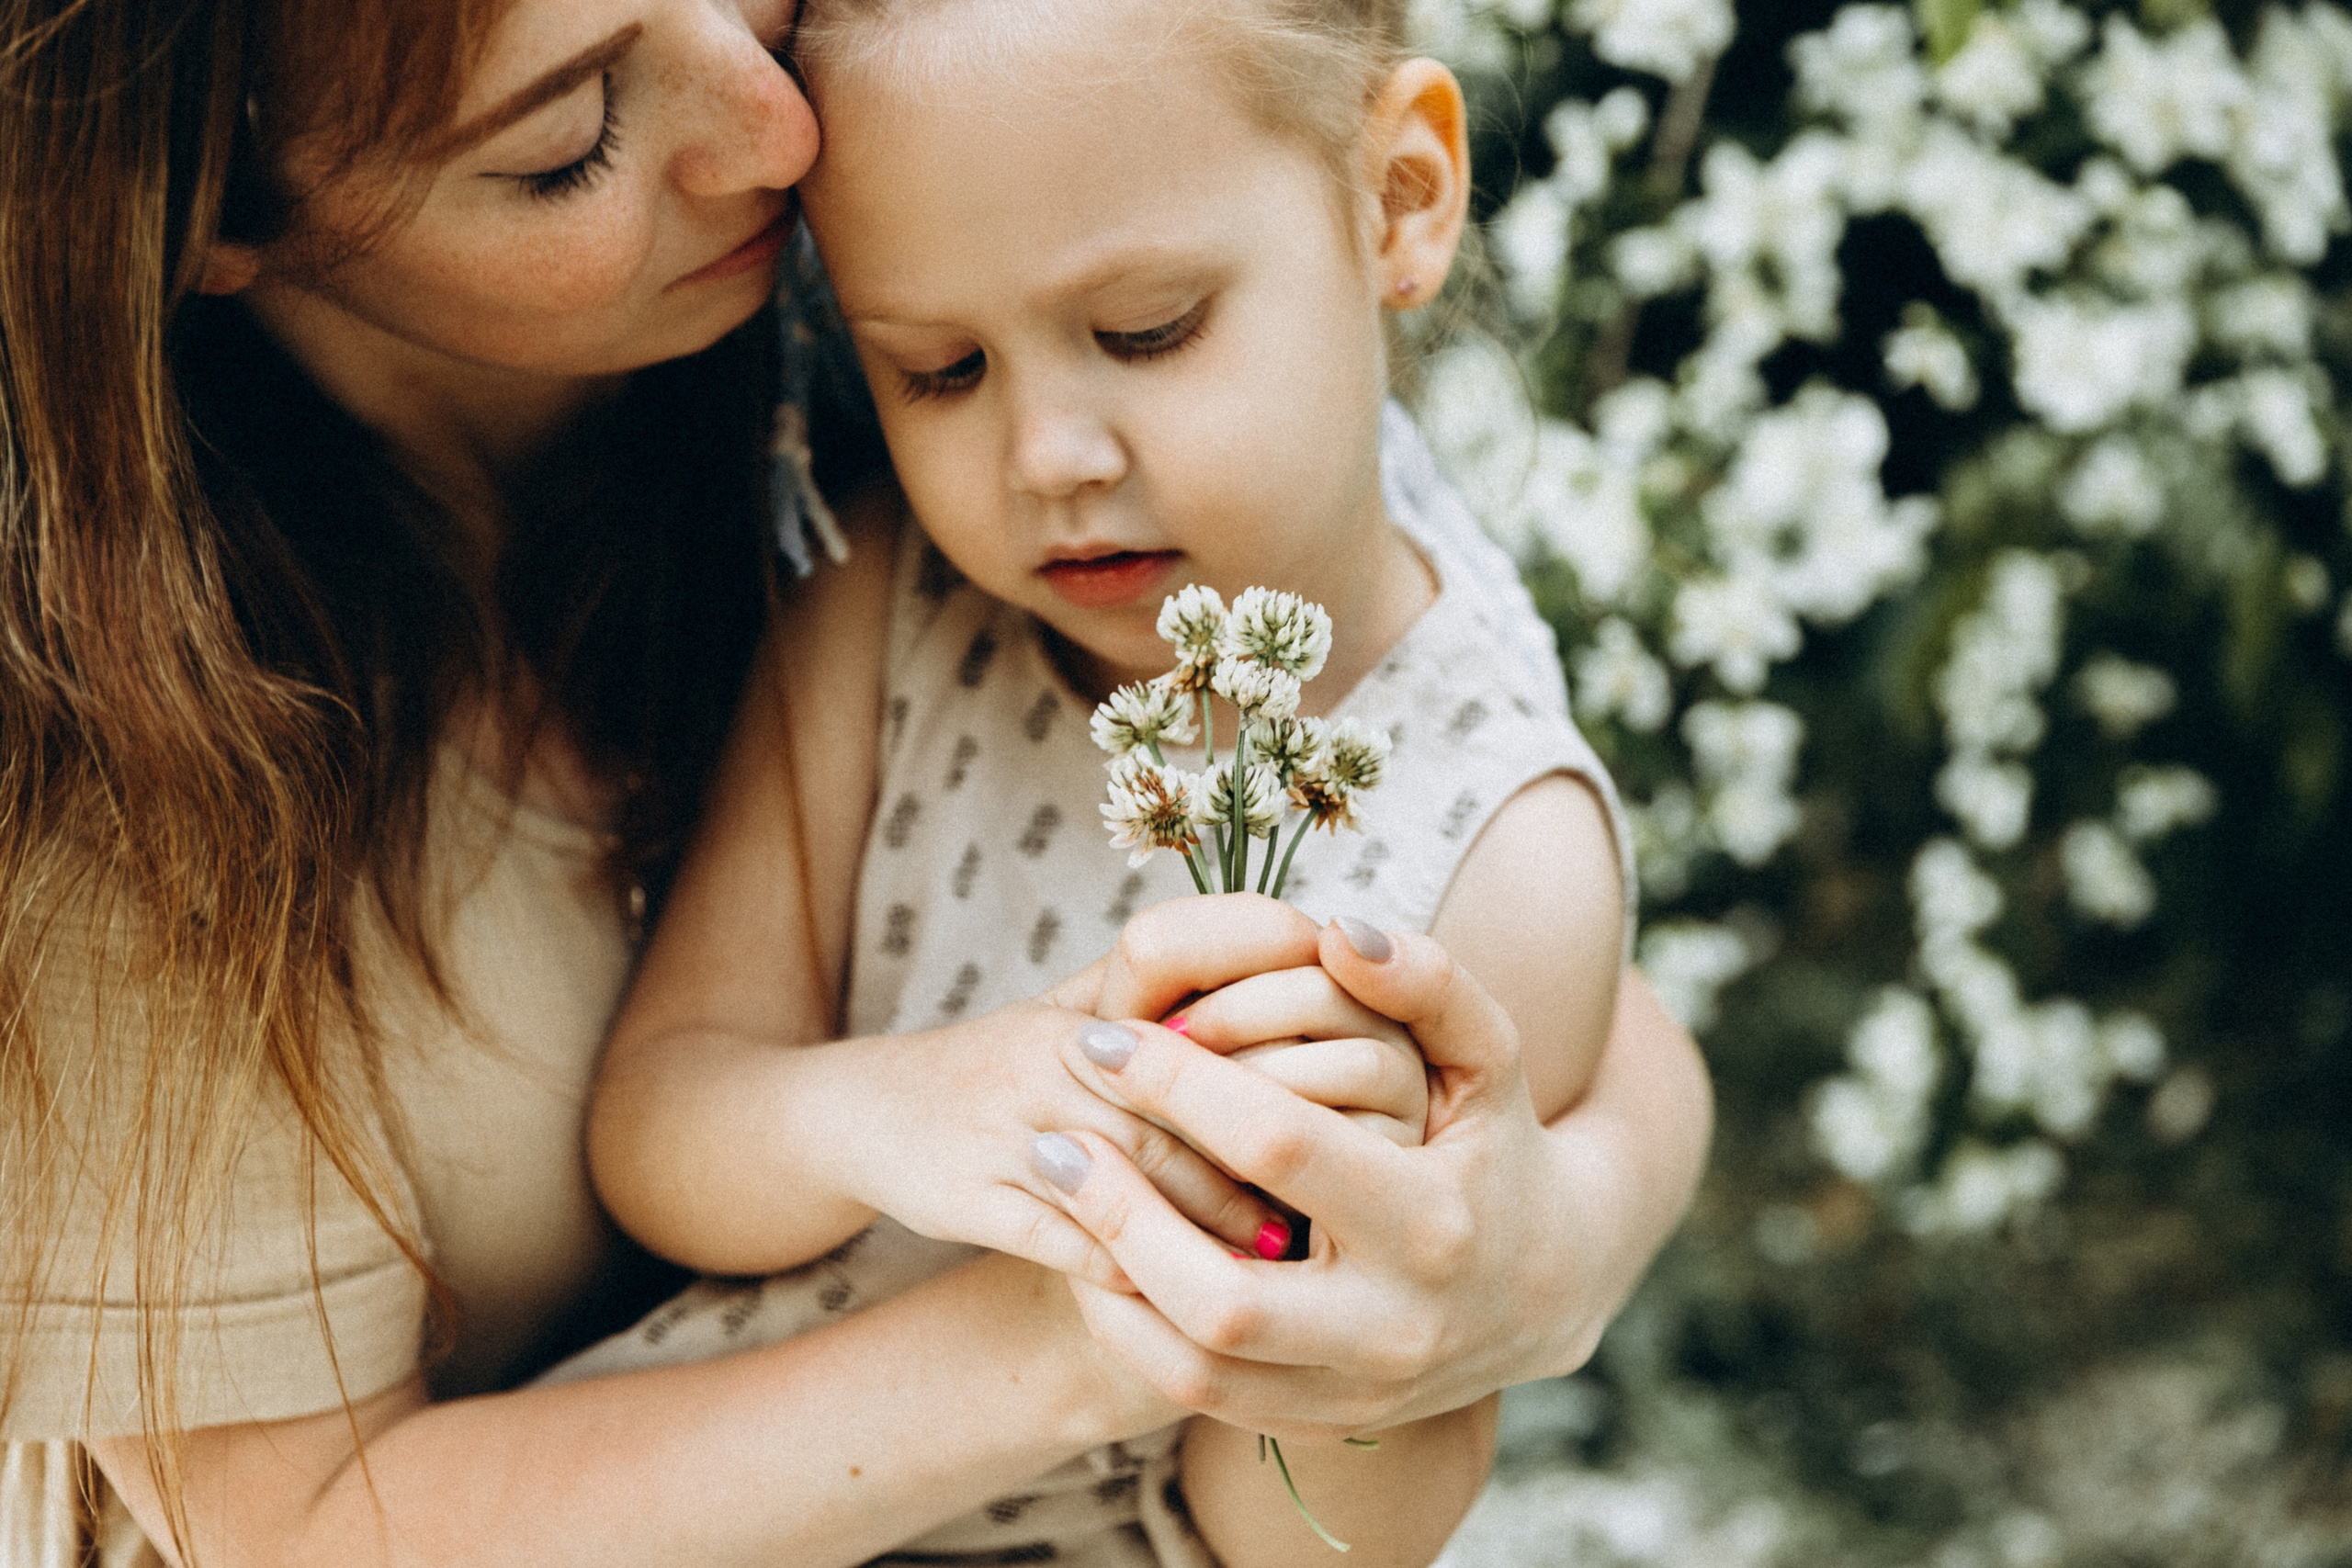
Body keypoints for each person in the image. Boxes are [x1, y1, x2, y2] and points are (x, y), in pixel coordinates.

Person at [0, 5, 1709, 1568]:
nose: (781, 130)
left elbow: (1552, 1011)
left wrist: (1524, 1252)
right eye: (567, 137)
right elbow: (310, 1531)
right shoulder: (97, 775)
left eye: (1146, 330)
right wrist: (1070, 1259)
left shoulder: (1016, 254)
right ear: (206, 209)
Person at [568, 1, 1672, 1563]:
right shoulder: (895, 606)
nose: (1049, 454)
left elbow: (1278, 1536)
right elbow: (658, 1131)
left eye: (1148, 328)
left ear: (1402, 200)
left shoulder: (1497, 848)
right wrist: (898, 1118)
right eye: (937, 370)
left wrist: (1351, 1333)